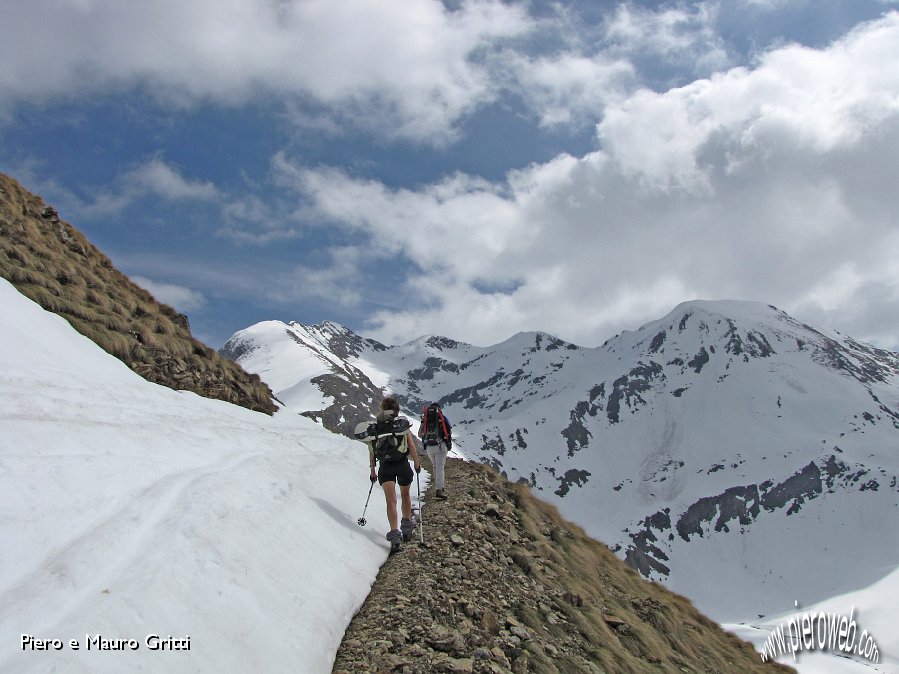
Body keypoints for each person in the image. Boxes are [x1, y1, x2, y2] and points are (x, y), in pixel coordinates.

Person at [368, 397, 421, 551]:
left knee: (390, 500)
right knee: (405, 495)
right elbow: (411, 445)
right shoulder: (400, 424)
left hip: (385, 466)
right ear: (397, 410)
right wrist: (417, 463)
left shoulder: (376, 426)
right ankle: (406, 526)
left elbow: (372, 451)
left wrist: (373, 470)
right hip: (402, 463)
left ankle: (395, 535)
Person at [418, 402, 452, 500]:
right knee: (440, 467)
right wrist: (448, 444)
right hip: (440, 446)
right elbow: (449, 431)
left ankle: (439, 487)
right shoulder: (442, 418)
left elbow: (420, 434)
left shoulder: (424, 419)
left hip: (429, 447)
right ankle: (439, 489)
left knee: (435, 466)